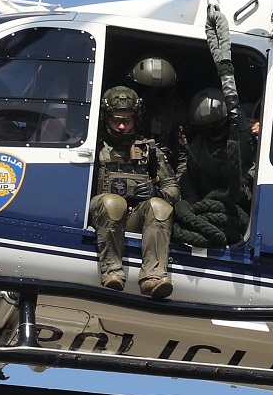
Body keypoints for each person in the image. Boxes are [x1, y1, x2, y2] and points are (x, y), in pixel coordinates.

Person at [90, 86, 179, 299]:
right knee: (113, 203)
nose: (122, 126)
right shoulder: (93, 146)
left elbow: (173, 190)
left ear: (136, 118)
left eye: (127, 120)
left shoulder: (148, 149)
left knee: (160, 207)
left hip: (133, 218)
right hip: (100, 215)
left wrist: (156, 191)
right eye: (116, 120)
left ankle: (153, 278)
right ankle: (112, 272)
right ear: (105, 118)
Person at [172, 89, 255, 248]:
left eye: (216, 125)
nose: (213, 131)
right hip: (214, 206)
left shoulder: (247, 131)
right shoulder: (195, 153)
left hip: (248, 201)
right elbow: (194, 193)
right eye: (206, 128)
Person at [130, 57, 187, 169]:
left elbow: (182, 155)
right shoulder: (128, 108)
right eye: (147, 90)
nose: (153, 96)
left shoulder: (176, 112)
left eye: (160, 92)